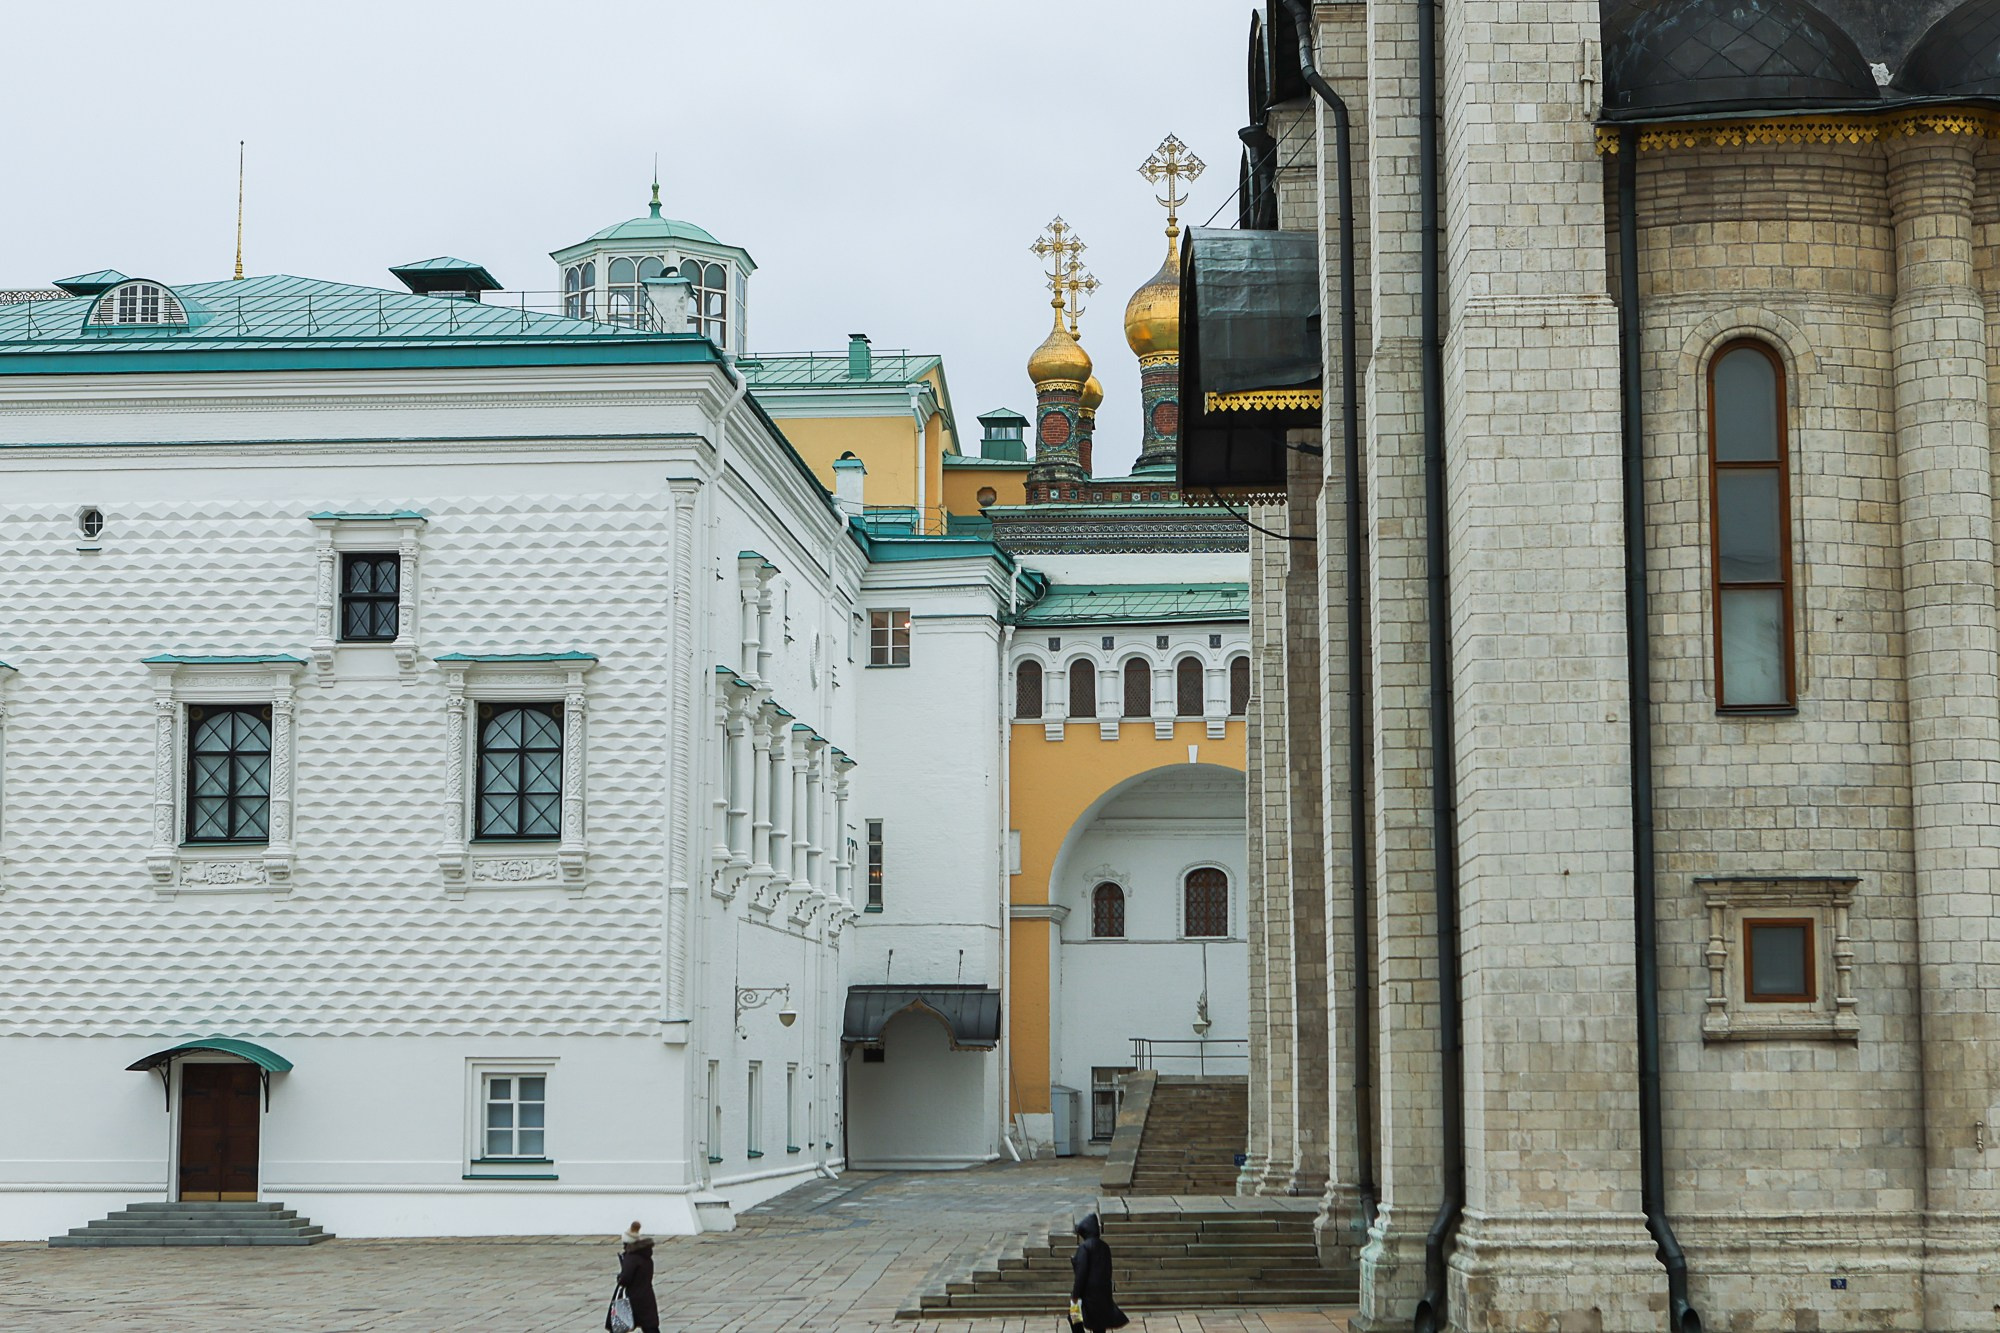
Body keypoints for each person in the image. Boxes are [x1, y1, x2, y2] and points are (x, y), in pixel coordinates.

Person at [1069, 1212, 1128, 1333]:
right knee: (1099, 1324)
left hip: (1088, 1292)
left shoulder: (1084, 1247)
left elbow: (1081, 1273)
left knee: (1073, 1316)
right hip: (1103, 1291)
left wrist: (1075, 1294)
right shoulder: (1105, 1247)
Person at [614, 1220, 660, 1333]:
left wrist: (620, 1278)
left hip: (634, 1297)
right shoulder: (646, 1256)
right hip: (647, 1295)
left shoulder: (631, 1258)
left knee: (620, 1326)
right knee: (650, 1326)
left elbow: (626, 1278)